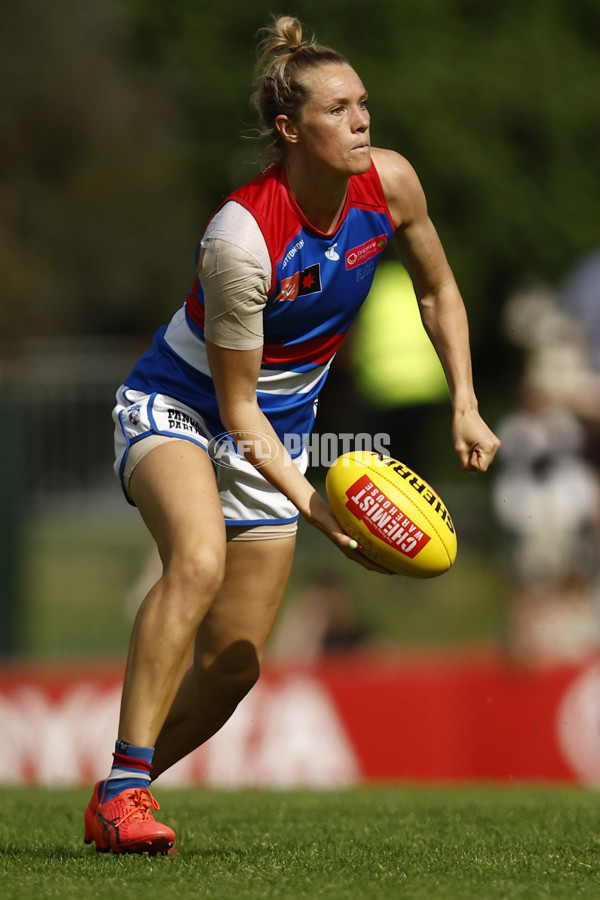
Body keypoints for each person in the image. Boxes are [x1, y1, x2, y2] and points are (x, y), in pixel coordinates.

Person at [84, 15, 500, 855]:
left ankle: (117, 794)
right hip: (181, 409)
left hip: (275, 433)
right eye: (339, 109)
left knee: (235, 667)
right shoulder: (241, 239)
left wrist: (464, 399)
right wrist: (316, 505)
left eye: (364, 105)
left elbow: (438, 292)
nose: (362, 122)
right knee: (195, 559)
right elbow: (236, 412)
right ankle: (129, 790)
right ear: (288, 128)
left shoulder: (392, 186)